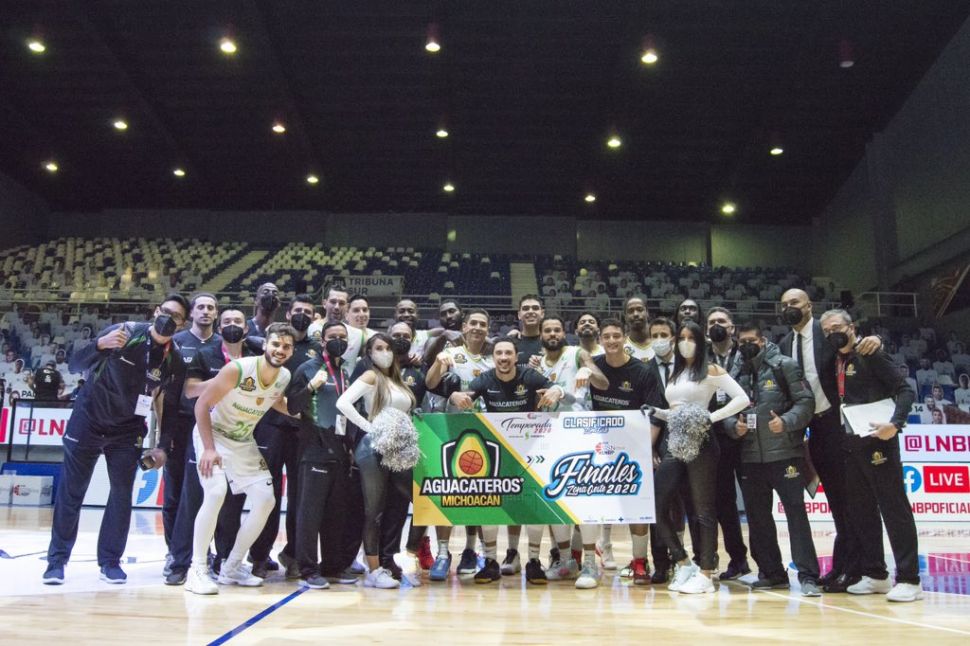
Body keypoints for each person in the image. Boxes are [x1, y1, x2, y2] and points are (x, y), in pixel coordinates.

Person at [43, 294, 189, 585]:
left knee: (121, 496)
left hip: (127, 430)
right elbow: (74, 364)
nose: (168, 318)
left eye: (176, 317)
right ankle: (56, 561)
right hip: (88, 421)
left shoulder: (174, 359)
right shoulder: (125, 332)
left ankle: (110, 562)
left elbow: (169, 406)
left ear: (182, 324)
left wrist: (162, 446)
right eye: (165, 311)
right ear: (155, 311)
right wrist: (99, 345)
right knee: (72, 493)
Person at [778, 288, 882, 592]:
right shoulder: (784, 344)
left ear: (809, 305)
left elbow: (854, 345)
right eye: (784, 305)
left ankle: (862, 568)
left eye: (794, 302)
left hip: (842, 423)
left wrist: (875, 340)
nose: (789, 308)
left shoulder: (826, 332)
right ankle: (843, 565)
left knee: (854, 499)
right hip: (815, 430)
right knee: (836, 501)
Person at [184, 323, 296, 595]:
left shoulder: (284, 376)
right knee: (215, 493)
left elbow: (275, 402)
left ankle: (232, 566)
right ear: (265, 344)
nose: (280, 350)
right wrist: (208, 449)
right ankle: (196, 570)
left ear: (292, 351)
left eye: (286, 346)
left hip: (242, 440)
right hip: (213, 435)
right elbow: (201, 404)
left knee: (266, 500)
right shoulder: (238, 369)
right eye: (276, 344)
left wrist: (305, 413)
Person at [819, 309, 920, 602]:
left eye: (836, 327)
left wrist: (895, 424)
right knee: (861, 511)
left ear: (851, 327)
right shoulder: (834, 360)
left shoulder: (870, 353)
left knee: (894, 508)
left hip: (878, 441)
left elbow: (905, 390)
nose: (832, 334)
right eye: (826, 331)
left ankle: (910, 579)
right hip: (850, 443)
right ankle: (876, 574)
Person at [448, 337, 564, 584]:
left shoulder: (529, 376)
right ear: (493, 358)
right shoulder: (485, 379)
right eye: (499, 353)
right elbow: (463, 397)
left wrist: (558, 390)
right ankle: (491, 561)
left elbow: (555, 388)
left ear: (515, 356)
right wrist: (454, 396)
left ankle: (534, 561)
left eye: (508, 353)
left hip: (530, 448)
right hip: (497, 449)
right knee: (491, 502)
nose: (503, 357)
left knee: (532, 504)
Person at [163, 308, 262, 586]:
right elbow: (191, 390)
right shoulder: (205, 355)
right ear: (220, 327)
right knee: (194, 499)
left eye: (238, 321)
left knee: (232, 504)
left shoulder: (254, 357)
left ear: (246, 328)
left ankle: (226, 562)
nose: (232, 325)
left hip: (239, 436)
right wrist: (226, 380)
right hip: (206, 434)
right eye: (227, 321)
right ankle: (181, 563)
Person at [652, 320, 750, 594]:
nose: (685, 343)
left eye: (691, 338)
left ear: (700, 341)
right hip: (675, 442)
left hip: (703, 443)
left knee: (703, 510)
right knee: (655, 503)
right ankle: (684, 562)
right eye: (681, 338)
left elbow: (741, 398)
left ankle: (706, 573)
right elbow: (677, 411)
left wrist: (711, 417)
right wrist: (658, 412)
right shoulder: (676, 373)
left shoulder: (710, 369)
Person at [725, 323, 819, 596]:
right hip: (750, 457)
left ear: (763, 341)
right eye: (742, 342)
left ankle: (808, 575)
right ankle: (772, 572)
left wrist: (787, 421)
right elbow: (724, 411)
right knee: (758, 519)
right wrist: (733, 427)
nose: (747, 346)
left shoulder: (784, 365)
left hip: (785, 453)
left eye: (751, 340)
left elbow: (806, 402)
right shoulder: (735, 373)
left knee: (796, 515)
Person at [242, 294, 320, 579]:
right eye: (298, 310)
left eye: (308, 312)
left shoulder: (316, 350)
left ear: (314, 317)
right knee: (267, 494)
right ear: (287, 314)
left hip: (303, 431)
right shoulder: (270, 344)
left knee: (301, 497)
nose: (302, 315)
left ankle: (294, 554)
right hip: (270, 426)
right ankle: (259, 556)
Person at [529, 316, 608, 586]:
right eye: (547, 330)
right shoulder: (537, 363)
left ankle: (590, 563)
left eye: (557, 329)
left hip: (580, 435)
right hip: (548, 436)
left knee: (585, 500)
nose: (552, 333)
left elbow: (603, 383)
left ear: (564, 332)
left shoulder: (577, 353)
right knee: (554, 499)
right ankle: (566, 562)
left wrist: (589, 372)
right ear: (541, 334)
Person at [335, 333, 418, 589]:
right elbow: (343, 403)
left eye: (388, 347)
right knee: (374, 510)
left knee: (409, 504)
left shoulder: (397, 380)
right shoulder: (372, 376)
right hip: (373, 449)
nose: (385, 352)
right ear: (369, 353)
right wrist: (369, 428)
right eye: (378, 348)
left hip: (399, 450)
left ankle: (392, 559)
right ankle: (373, 570)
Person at [589, 319, 665, 586]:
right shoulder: (593, 366)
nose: (611, 341)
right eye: (606, 336)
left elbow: (655, 414)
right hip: (596, 446)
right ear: (600, 339)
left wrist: (646, 447)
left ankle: (640, 561)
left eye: (616, 336)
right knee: (593, 502)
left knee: (636, 505)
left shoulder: (642, 371)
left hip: (633, 447)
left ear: (624, 338)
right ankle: (587, 557)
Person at [424, 308, 494, 579]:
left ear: (488, 329)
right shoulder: (450, 354)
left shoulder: (493, 358)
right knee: (447, 494)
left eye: (482, 324)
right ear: (464, 327)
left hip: (484, 430)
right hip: (449, 430)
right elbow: (430, 383)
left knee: (478, 495)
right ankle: (443, 553)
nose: (477, 327)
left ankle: (471, 550)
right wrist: (439, 365)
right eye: (473, 323)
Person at [285, 321, 353, 589]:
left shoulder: (345, 372)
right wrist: (311, 387)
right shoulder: (307, 369)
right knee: (310, 513)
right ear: (322, 341)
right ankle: (308, 569)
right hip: (313, 448)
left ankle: (332, 566)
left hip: (339, 448)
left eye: (343, 337)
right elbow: (292, 406)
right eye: (333, 336)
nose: (338, 341)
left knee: (336, 513)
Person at [160, 292, 220, 574]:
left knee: (207, 493)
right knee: (174, 492)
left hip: (211, 427)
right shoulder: (176, 342)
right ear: (191, 314)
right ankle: (174, 552)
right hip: (180, 424)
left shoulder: (223, 345)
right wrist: (162, 433)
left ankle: (203, 550)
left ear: (216, 314)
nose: (206, 311)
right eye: (201, 307)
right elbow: (163, 388)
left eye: (211, 307)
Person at [705, 307, 751, 580]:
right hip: (716, 435)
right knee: (724, 503)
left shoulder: (747, 352)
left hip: (747, 435)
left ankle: (768, 562)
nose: (717, 325)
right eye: (712, 322)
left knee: (754, 502)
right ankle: (738, 559)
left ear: (732, 327)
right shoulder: (703, 359)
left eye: (721, 321)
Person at [509, 294, 544, 363]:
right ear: (519, 315)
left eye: (535, 308)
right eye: (525, 309)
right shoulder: (510, 342)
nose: (530, 311)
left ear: (542, 314)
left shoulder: (551, 342)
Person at [623, 296, 655, 361]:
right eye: (630, 311)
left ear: (647, 312)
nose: (635, 314)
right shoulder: (621, 346)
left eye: (640, 310)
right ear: (625, 317)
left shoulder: (661, 343)